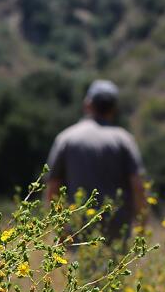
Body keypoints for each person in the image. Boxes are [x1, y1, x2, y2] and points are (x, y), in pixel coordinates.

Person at [45, 79, 148, 242]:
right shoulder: (124, 140)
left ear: (87, 104)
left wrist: (59, 227)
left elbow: (53, 186)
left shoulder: (67, 138)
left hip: (77, 228)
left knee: (79, 268)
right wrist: (141, 225)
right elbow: (138, 185)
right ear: (114, 108)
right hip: (117, 228)